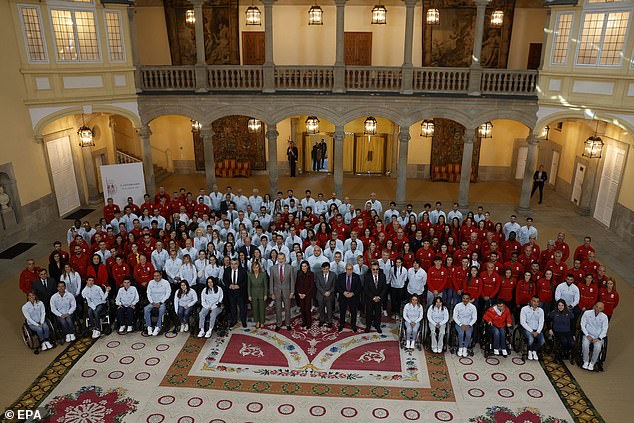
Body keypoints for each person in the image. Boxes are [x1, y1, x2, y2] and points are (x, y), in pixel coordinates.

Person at [269, 253, 295, 331]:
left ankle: (288, 323)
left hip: (287, 291)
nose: (280, 260)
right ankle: (278, 323)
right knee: (278, 308)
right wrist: (272, 293)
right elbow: (271, 281)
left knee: (287, 308)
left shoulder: (290, 268)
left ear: (285, 259)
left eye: (282, 258)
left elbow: (292, 281)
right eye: (279, 258)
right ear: (277, 259)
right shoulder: (272, 268)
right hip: (276, 292)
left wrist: (292, 292)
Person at [580, 302, 609, 371]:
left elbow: (605, 329)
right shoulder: (587, 313)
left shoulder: (604, 317)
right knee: (585, 344)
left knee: (598, 347)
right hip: (588, 334)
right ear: (594, 306)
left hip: (598, 337)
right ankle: (586, 361)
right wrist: (587, 335)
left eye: (600, 308)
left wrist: (599, 338)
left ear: (603, 309)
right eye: (596, 307)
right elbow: (582, 325)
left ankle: (592, 363)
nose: (597, 309)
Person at [336, 263, 362, 332]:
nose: (349, 271)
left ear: (352, 270)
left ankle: (353, 325)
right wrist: (343, 292)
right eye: (347, 269)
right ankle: (342, 324)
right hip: (343, 297)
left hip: (353, 298)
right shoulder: (340, 276)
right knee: (342, 312)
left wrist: (353, 293)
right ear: (345, 269)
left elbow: (359, 288)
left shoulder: (356, 277)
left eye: (350, 269)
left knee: (353, 312)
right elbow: (338, 287)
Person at [144, 271, 171, 336]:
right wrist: (152, 302)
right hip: (153, 302)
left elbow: (168, 293)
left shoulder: (166, 282)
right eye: (155, 276)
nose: (156, 277)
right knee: (146, 309)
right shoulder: (150, 282)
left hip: (162, 302)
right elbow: (148, 294)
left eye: (158, 275)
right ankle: (149, 326)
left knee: (161, 310)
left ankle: (158, 326)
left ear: (161, 275)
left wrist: (161, 302)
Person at [224, 258, 248, 328]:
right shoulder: (226, 270)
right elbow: (224, 280)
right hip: (231, 292)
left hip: (240, 292)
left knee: (242, 307)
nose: (233, 266)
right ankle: (234, 321)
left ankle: (243, 321)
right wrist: (229, 285)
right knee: (232, 307)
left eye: (235, 264)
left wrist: (239, 286)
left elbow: (245, 281)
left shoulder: (243, 271)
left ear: (238, 264)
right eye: (232, 264)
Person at [364, 262, 387, 333]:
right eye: (373, 269)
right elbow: (366, 289)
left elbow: (384, 288)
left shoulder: (383, 276)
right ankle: (368, 326)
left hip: (379, 299)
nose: (375, 271)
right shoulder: (367, 276)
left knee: (378, 313)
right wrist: (373, 297)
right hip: (370, 298)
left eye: (377, 269)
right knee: (369, 313)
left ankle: (377, 326)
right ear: (371, 269)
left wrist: (379, 297)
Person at [520, 296, 545, 361]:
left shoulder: (541, 311)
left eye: (537, 302)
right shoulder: (524, 309)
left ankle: (534, 351)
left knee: (542, 341)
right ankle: (529, 351)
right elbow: (522, 322)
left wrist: (538, 331)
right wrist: (531, 331)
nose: (535, 303)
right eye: (534, 301)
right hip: (527, 329)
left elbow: (541, 322)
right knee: (531, 339)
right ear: (531, 301)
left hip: (537, 330)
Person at [453, 292, 477, 357]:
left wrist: (469, 325)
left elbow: (474, 318)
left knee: (468, 335)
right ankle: (460, 348)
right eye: (464, 298)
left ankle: (465, 348)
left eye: (467, 299)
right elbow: (455, 317)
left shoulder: (473, 307)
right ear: (462, 298)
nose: (465, 300)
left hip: (469, 324)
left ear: (469, 299)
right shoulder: (457, 306)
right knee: (461, 334)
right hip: (459, 324)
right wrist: (461, 324)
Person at [315, 262, 336, 328]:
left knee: (329, 309)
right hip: (320, 295)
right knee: (321, 308)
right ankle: (322, 320)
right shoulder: (318, 274)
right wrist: (324, 292)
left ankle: (329, 321)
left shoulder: (333, 274)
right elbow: (317, 285)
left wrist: (329, 291)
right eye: (324, 269)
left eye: (327, 269)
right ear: (322, 269)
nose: (325, 271)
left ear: (329, 268)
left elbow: (334, 285)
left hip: (330, 295)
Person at [295, 260, 315, 328]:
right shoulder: (299, 273)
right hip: (300, 295)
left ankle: (309, 323)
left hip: (308, 295)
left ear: (308, 266)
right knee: (302, 309)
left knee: (307, 309)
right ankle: (304, 322)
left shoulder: (311, 274)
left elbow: (311, 286)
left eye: (305, 266)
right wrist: (299, 293)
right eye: (302, 266)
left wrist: (305, 294)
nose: (303, 267)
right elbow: (297, 284)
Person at [248, 261, 267, 328]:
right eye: (254, 268)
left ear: (259, 267)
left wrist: (265, 294)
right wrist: (249, 295)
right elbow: (249, 286)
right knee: (255, 309)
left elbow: (265, 286)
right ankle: (257, 321)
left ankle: (262, 321)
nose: (256, 269)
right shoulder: (250, 275)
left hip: (261, 294)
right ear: (252, 268)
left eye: (257, 267)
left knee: (262, 308)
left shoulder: (263, 274)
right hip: (253, 295)